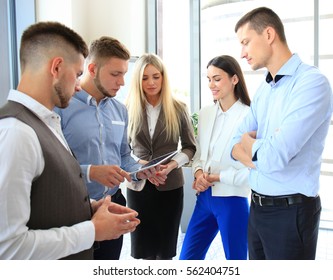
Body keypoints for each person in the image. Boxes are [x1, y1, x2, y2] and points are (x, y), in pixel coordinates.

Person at [0, 21, 140, 260]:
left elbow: (51, 192)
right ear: (56, 67)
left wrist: (90, 209)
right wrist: (92, 230)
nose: (78, 87)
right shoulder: (16, 132)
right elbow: (8, 248)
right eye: (77, 75)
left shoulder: (46, 121)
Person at [231, 7, 333, 260]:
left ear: (268, 34)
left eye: (245, 42)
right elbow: (234, 145)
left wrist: (251, 146)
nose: (241, 53)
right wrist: (256, 149)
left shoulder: (311, 83)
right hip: (257, 209)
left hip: (292, 214)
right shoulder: (264, 89)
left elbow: (273, 157)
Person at [55, 37, 164, 260]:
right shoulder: (61, 108)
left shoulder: (119, 111)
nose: (122, 82)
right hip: (75, 209)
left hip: (114, 203)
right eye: (115, 74)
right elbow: (54, 163)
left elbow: (124, 155)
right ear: (92, 69)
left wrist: (139, 171)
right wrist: (91, 171)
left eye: (124, 73)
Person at [125, 53, 196, 260]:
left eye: (156, 76)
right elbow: (123, 149)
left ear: (163, 77)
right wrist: (140, 165)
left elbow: (190, 147)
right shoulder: (127, 108)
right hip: (139, 188)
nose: (151, 82)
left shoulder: (178, 108)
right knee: (143, 251)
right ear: (138, 80)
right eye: (145, 78)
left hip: (170, 186)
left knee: (165, 251)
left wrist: (171, 165)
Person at [179, 55, 251, 260]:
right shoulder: (205, 113)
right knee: (187, 259)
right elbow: (200, 155)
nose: (211, 84)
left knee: (236, 262)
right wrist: (199, 173)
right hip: (204, 198)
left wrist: (218, 177)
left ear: (234, 79)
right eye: (208, 79)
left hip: (233, 200)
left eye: (217, 79)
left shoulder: (249, 116)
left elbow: (252, 169)